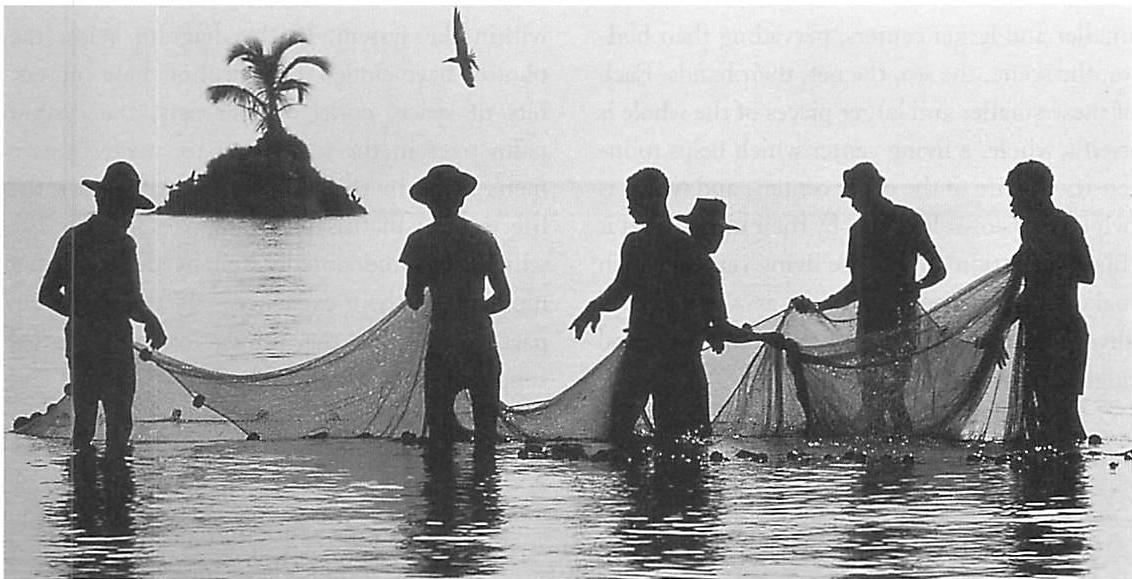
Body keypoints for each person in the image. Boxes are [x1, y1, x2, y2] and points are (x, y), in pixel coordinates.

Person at [792, 162, 946, 435]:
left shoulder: (906, 221)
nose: (852, 203)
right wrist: (819, 306)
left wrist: (918, 285)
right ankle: (893, 468)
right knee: (882, 397)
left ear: (870, 190)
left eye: (853, 196)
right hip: (876, 322)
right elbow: (857, 288)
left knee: (888, 397)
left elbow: (938, 271)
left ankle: (886, 467)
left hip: (899, 322)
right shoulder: (863, 229)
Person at [570, 168, 718, 445]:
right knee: (680, 444)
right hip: (676, 357)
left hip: (651, 355)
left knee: (626, 438)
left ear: (654, 198)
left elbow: (619, 293)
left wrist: (596, 307)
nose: (629, 208)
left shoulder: (641, 245)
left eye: (633, 199)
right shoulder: (686, 249)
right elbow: (621, 291)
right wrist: (595, 306)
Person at [39, 161, 168, 455]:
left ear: (99, 198)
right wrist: (150, 319)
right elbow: (132, 301)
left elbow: (46, 294)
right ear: (111, 203)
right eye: (128, 207)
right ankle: (117, 490)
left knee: (83, 422)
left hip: (80, 342)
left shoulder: (72, 238)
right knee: (119, 423)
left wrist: (80, 313)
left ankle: (82, 492)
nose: (131, 216)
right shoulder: (123, 245)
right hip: (113, 346)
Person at [983, 160, 1094, 446]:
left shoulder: (1064, 225)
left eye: (1016, 194)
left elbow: (1087, 273)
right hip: (1038, 333)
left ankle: (1067, 481)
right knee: (1045, 413)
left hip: (1064, 331)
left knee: (1062, 414)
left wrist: (1043, 259)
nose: (1013, 203)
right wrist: (998, 329)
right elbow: (1028, 292)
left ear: (1036, 192)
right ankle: (1056, 483)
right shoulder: (1029, 230)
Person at [400, 164, 511, 447]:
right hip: (479, 342)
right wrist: (475, 311)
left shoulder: (419, 241)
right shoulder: (483, 238)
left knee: (440, 437)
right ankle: (486, 489)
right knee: (487, 434)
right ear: (460, 200)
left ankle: (442, 490)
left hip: (443, 345)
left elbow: (413, 299)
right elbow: (503, 298)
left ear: (429, 203)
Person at [675, 198, 795, 353]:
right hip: (681, 360)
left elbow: (684, 318)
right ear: (697, 229)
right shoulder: (707, 270)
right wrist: (763, 337)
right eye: (715, 231)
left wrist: (708, 333)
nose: (718, 238)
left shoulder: (674, 258)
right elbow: (722, 328)